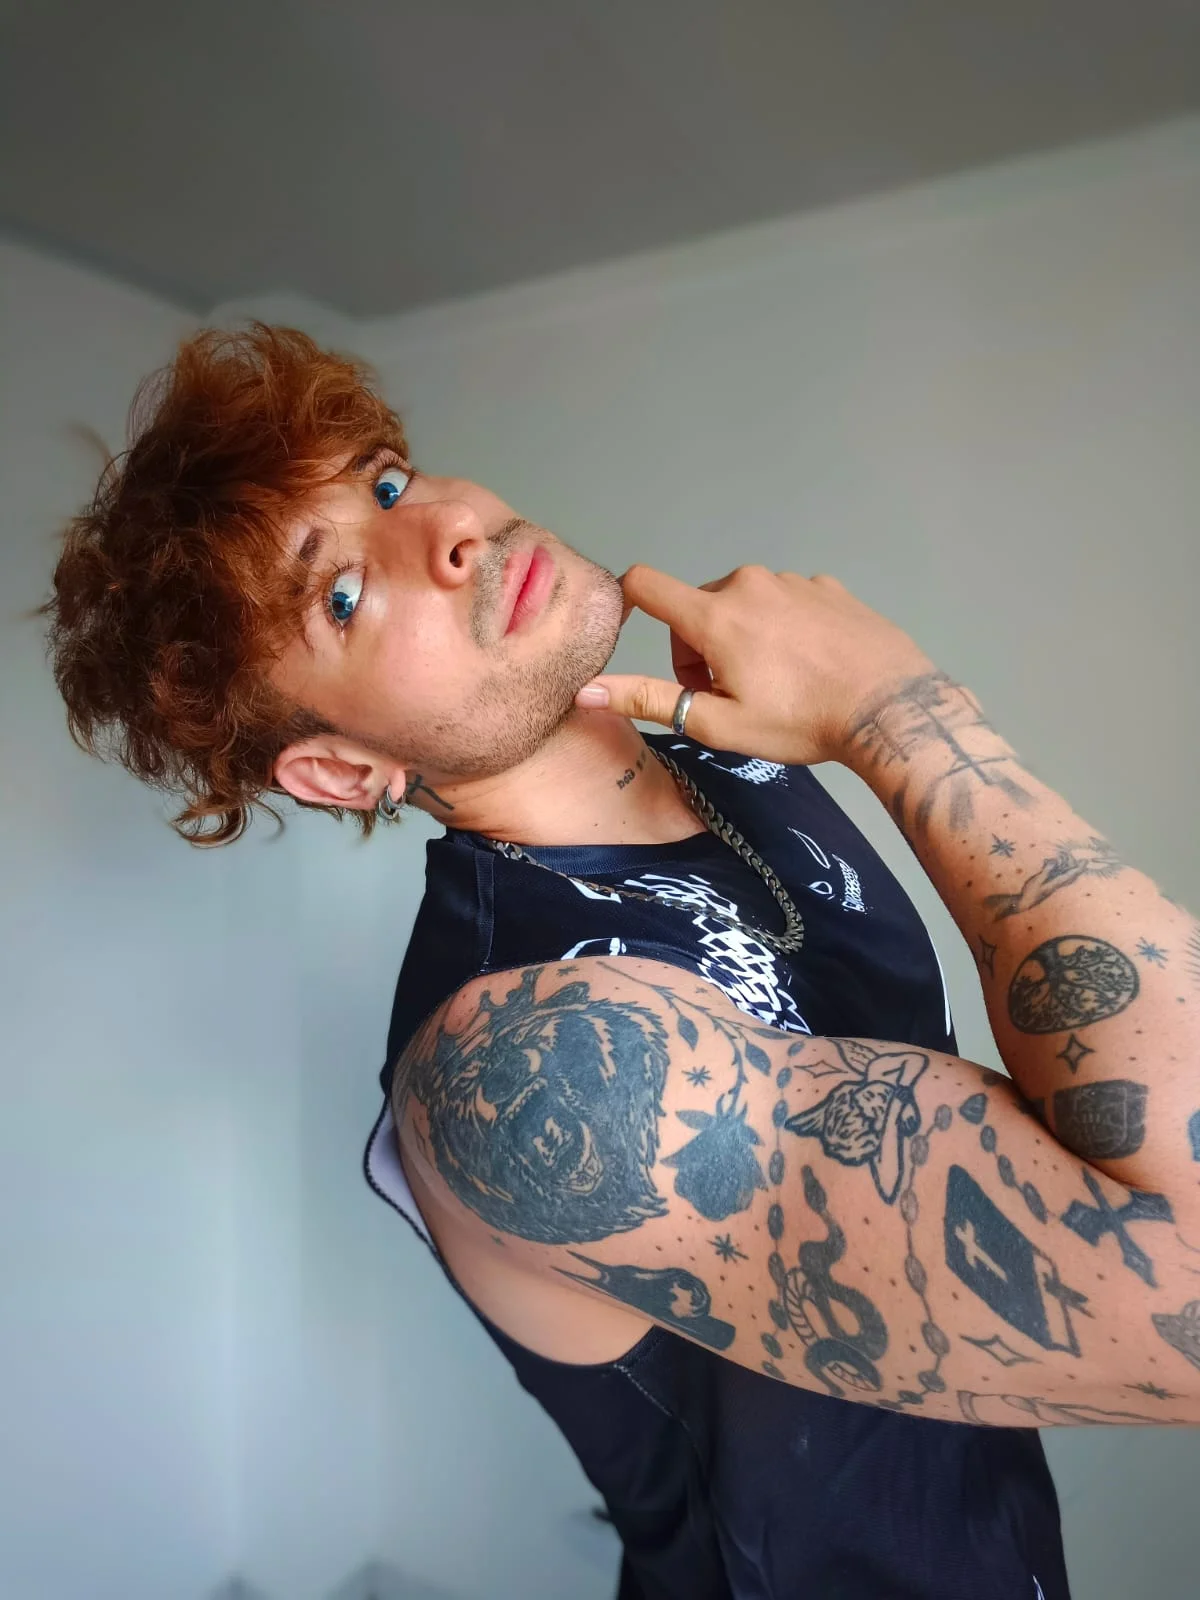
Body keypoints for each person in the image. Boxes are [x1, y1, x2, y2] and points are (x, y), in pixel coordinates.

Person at [42, 325, 1200, 1600]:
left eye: (388, 482)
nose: (449, 532)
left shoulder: (725, 749)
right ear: (340, 768)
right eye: (344, 596)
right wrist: (903, 711)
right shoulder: (527, 1057)